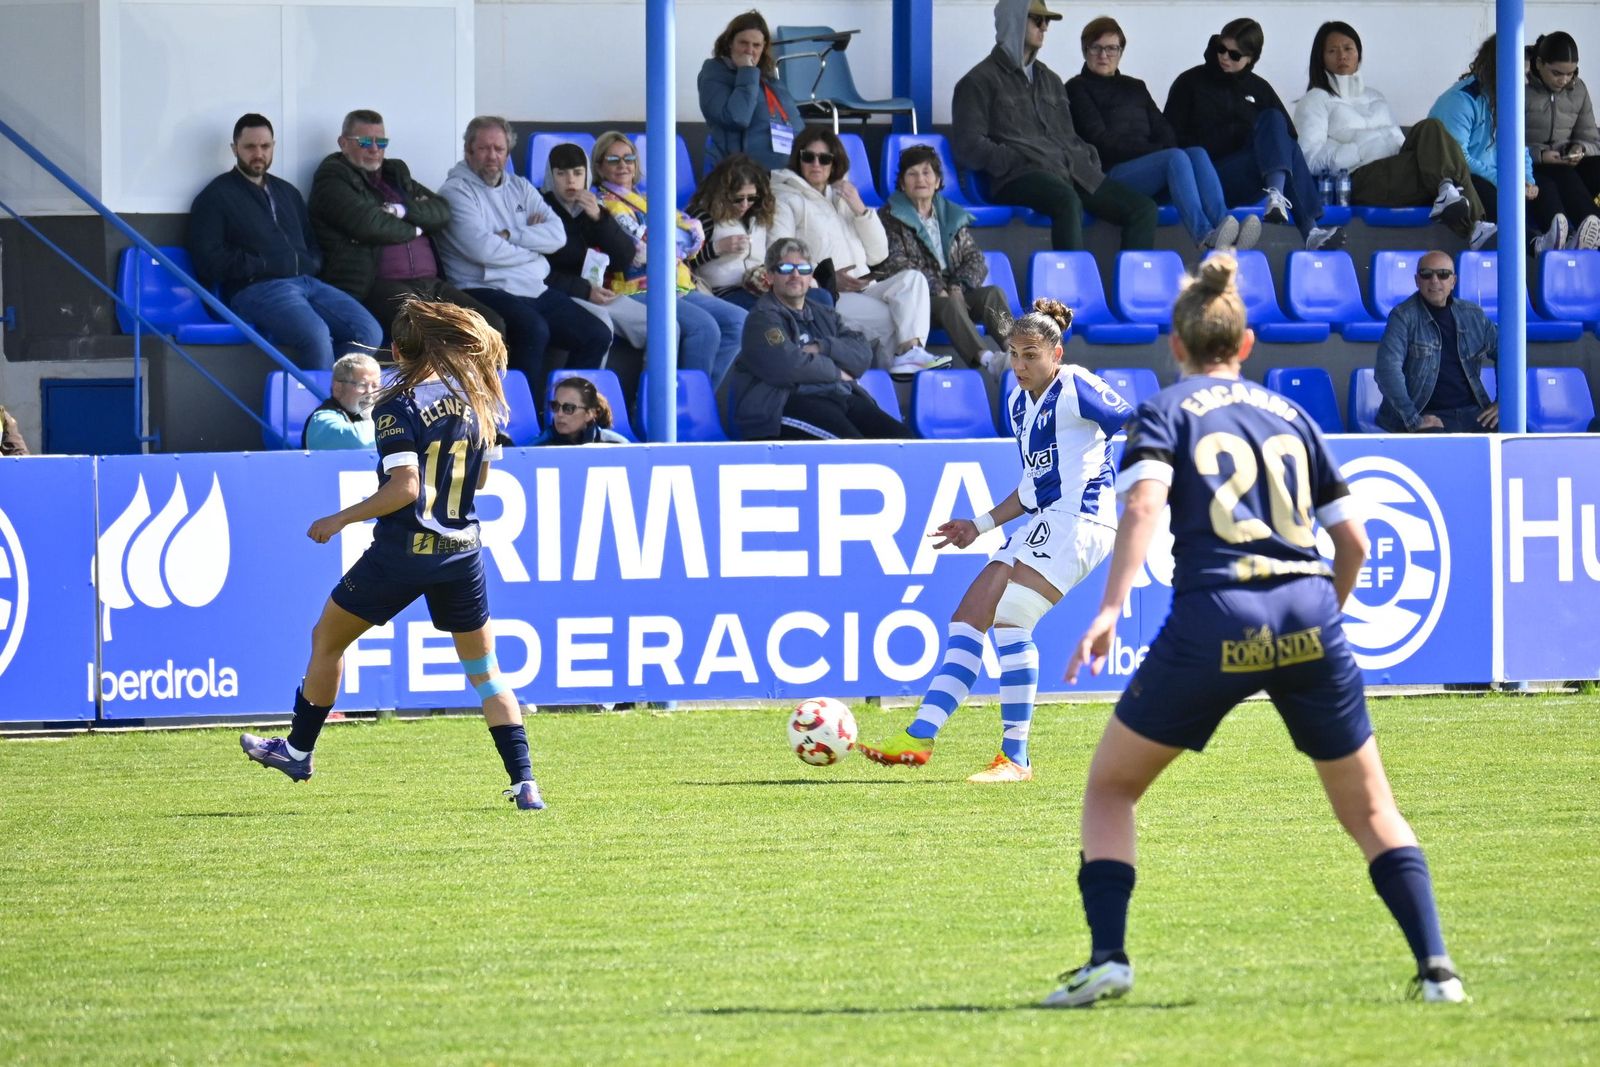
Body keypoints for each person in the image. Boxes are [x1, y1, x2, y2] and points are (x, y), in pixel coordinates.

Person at [1046, 254, 1465, 1008]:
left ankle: (1108, 957)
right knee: (1371, 809)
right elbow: (1357, 542)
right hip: (1307, 611)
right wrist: (1322, 615)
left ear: (1175, 348)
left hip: (1217, 614)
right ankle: (1438, 970)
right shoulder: (1293, 414)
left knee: (1111, 787)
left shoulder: (1164, 411)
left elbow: (1142, 509)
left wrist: (1108, 609)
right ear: (1245, 348)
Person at [240, 298, 547, 811]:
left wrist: (340, 519)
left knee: (327, 641)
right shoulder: (477, 397)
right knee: (487, 674)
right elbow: (484, 477)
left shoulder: (396, 403)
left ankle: (297, 750)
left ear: (400, 351)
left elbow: (404, 488)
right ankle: (526, 785)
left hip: (405, 551)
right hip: (461, 550)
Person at [856, 298, 1132, 782]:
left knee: (1010, 620)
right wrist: (978, 526)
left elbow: (1132, 421)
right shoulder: (1017, 404)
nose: (1020, 365)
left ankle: (1015, 758)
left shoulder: (1076, 385)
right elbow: (1032, 486)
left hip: (1082, 521)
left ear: (1056, 354)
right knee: (969, 617)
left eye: (1031, 354)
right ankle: (919, 736)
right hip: (1048, 517)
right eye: (1013, 354)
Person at [952, 0, 1158, 256]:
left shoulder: (1050, 79)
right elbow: (967, 145)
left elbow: (1067, 135)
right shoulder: (978, 81)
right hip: (1020, 175)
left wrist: (1087, 154)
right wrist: (1015, 160)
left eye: (1047, 21)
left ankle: (1133, 291)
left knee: (1142, 209)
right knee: (1067, 200)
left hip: (1071, 171)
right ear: (1013, 21)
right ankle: (1071, 292)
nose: (1045, 27)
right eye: (1037, 20)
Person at [188, 113, 382, 371]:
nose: (258, 153)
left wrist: (310, 263)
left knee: (369, 332)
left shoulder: (288, 192)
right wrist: (262, 264)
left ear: (273, 147)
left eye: (265, 146)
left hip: (306, 283)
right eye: (250, 147)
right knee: (316, 335)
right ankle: (321, 409)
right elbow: (208, 260)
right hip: (256, 289)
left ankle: (341, 398)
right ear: (235, 149)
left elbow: (311, 243)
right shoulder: (215, 196)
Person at [436, 116, 613, 391]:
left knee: (597, 334)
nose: (492, 156)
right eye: (484, 148)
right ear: (468, 150)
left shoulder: (519, 186)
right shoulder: (455, 192)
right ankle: (519, 417)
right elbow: (483, 249)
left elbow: (557, 236)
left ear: (508, 152)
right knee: (534, 329)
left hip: (531, 286)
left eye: (499, 149)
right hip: (481, 287)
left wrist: (511, 235)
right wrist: (534, 252)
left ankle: (566, 412)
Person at [1294, 22, 1496, 251]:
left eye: (1348, 48)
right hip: (1361, 178)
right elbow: (1309, 159)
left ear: (1358, 53)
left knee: (1431, 127)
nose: (1342, 55)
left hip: (1396, 170)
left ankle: (1447, 191)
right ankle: (1474, 222)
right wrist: (1357, 150)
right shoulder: (1315, 100)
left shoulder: (1375, 95)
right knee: (1447, 162)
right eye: (1332, 50)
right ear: (1321, 58)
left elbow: (1399, 142)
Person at [308, 109, 505, 338]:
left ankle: (475, 376)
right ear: (343, 143)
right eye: (364, 141)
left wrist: (400, 210)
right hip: (377, 283)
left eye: (381, 141)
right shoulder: (331, 179)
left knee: (491, 325)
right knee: (426, 328)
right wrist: (417, 228)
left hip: (431, 282)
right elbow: (370, 225)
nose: (374, 149)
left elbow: (441, 211)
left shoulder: (396, 176)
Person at [1067, 16, 1257, 252]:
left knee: (1196, 153)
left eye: (1111, 48)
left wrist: (1161, 150)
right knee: (1174, 158)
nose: (1103, 55)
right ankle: (1204, 235)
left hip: (1152, 170)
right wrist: (1156, 151)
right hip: (1111, 176)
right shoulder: (1076, 88)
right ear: (1085, 51)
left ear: (1121, 51)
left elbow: (1164, 129)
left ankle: (1223, 228)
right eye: (1096, 48)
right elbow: (1101, 141)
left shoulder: (1136, 86)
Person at [770, 129, 949, 378]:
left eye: (824, 158)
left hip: (864, 286)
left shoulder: (844, 197)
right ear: (798, 160)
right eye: (808, 157)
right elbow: (779, 254)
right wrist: (826, 278)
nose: (816, 164)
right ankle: (895, 389)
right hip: (826, 293)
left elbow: (878, 254)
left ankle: (911, 353)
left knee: (913, 279)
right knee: (892, 320)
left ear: (835, 163)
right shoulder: (786, 199)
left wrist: (860, 209)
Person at [1164, 19, 1345, 251]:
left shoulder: (1259, 88)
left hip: (1250, 175)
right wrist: (1229, 135)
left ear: (1251, 59)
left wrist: (1257, 140)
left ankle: (1278, 197)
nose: (1225, 57)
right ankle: (1308, 230)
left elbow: (1288, 136)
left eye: (1234, 55)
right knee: (1280, 144)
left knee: (1274, 120)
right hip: (1208, 176)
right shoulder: (1190, 82)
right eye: (1221, 49)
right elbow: (1170, 138)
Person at [593, 131, 748, 389]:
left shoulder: (648, 199)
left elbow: (694, 231)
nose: (623, 165)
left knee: (738, 320)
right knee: (705, 328)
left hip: (677, 286)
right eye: (613, 160)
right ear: (599, 166)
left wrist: (671, 242)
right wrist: (675, 241)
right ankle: (680, 406)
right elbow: (641, 248)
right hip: (635, 288)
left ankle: (698, 398)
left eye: (629, 158)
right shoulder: (603, 202)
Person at [728, 237, 910, 441]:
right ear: (769, 276)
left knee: (903, 440)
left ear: (810, 276)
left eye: (803, 269)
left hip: (837, 397)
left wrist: (823, 347)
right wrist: (837, 372)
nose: (796, 275)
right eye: (786, 268)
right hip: (782, 406)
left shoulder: (825, 314)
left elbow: (862, 354)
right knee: (853, 448)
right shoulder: (762, 318)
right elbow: (788, 366)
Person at [878, 144, 1012, 376]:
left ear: (938, 181)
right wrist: (939, 288)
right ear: (902, 183)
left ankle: (1015, 353)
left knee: (993, 293)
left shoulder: (950, 214)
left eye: (927, 172)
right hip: (919, 300)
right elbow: (896, 261)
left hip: (954, 290)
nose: (920, 179)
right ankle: (989, 361)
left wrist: (957, 286)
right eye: (912, 173)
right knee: (950, 303)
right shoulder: (890, 216)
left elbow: (974, 258)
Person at [1429, 36, 1562, 253]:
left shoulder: (1507, 101)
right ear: (1499, 70)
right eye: (1522, 74)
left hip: (1491, 176)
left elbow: (1521, 148)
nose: (1527, 82)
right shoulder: (1461, 100)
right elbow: (1457, 158)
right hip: (1454, 178)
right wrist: (1503, 180)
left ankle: (1563, 243)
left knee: (1546, 184)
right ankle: (1534, 243)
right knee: (1483, 186)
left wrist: (1527, 179)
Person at [688, 153, 832, 311]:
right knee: (775, 309)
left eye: (751, 198)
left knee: (821, 297)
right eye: (738, 198)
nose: (745, 204)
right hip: (726, 292)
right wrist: (717, 248)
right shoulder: (705, 216)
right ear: (722, 195)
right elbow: (683, 260)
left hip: (761, 287)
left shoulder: (759, 214)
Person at [1374, 251, 1498, 433]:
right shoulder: (1402, 316)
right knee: (1440, 447)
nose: (1434, 280)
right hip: (1426, 414)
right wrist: (1413, 419)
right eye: (1426, 274)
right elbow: (1387, 370)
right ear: (1417, 281)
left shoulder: (1473, 315)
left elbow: (1509, 355)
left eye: (1443, 274)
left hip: (1472, 413)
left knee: (1513, 432)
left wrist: (1504, 402)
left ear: (1453, 281)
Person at [540, 141, 648, 350]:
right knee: (600, 327)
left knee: (663, 328)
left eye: (577, 173)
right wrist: (585, 290)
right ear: (550, 177)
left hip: (598, 291)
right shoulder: (539, 209)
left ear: (587, 175)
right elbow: (541, 272)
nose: (571, 180)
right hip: (561, 294)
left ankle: (653, 383)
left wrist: (600, 219)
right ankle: (587, 384)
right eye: (561, 174)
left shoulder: (592, 210)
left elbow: (624, 259)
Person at [698, 9, 805, 173]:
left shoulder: (770, 81)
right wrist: (747, 72)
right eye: (743, 43)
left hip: (781, 174)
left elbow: (798, 129)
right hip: (737, 176)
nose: (750, 50)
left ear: (763, 48)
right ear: (729, 43)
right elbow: (737, 118)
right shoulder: (714, 71)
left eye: (756, 45)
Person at [1525, 32, 1600, 250]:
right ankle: (1589, 224)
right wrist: (1540, 155)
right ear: (1539, 64)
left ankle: (1589, 228)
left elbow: (1591, 139)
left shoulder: (1578, 89)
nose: (1564, 80)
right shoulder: (1520, 88)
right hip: (1532, 165)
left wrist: (1579, 148)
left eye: (1570, 73)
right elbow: (1500, 143)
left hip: (1565, 160)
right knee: (1559, 175)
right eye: (1557, 73)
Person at [303, 352, 382, 450]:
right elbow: (359, 440)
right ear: (338, 388)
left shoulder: (366, 416)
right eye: (362, 385)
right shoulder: (321, 420)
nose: (370, 392)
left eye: (375, 386)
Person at [532, 376, 630, 446]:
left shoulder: (617, 446)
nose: (559, 414)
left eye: (569, 408)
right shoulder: (538, 448)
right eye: (555, 406)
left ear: (590, 413)